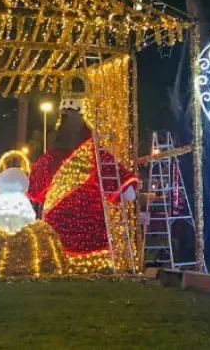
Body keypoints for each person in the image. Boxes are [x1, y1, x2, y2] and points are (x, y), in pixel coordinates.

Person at [27, 75, 138, 273]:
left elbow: (34, 190)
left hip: (68, 239)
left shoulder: (81, 154)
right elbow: (34, 188)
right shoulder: (87, 154)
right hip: (85, 240)